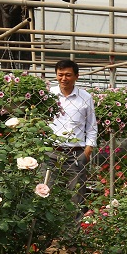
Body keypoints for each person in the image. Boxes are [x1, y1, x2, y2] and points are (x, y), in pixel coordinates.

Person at [48, 58, 97, 206]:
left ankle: (74, 222)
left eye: (68, 75)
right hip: (50, 152)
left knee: (76, 196)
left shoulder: (85, 97)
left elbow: (91, 126)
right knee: (45, 192)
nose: (64, 78)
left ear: (76, 76)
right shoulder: (49, 94)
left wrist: (87, 152)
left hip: (75, 154)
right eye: (60, 74)